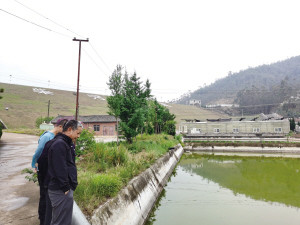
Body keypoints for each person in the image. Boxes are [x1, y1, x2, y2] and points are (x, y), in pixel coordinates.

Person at [31, 118, 68, 225]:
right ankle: (42, 220)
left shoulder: (55, 137)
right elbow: (38, 152)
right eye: (64, 129)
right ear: (60, 127)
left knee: (48, 196)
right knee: (44, 195)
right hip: (43, 170)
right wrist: (34, 164)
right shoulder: (47, 136)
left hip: (49, 171)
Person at [47, 120, 82, 225]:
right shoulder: (60, 144)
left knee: (61, 220)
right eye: (78, 133)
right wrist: (66, 187)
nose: (78, 136)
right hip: (60, 190)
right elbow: (59, 168)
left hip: (62, 190)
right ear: (70, 130)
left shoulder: (65, 143)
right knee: (61, 222)